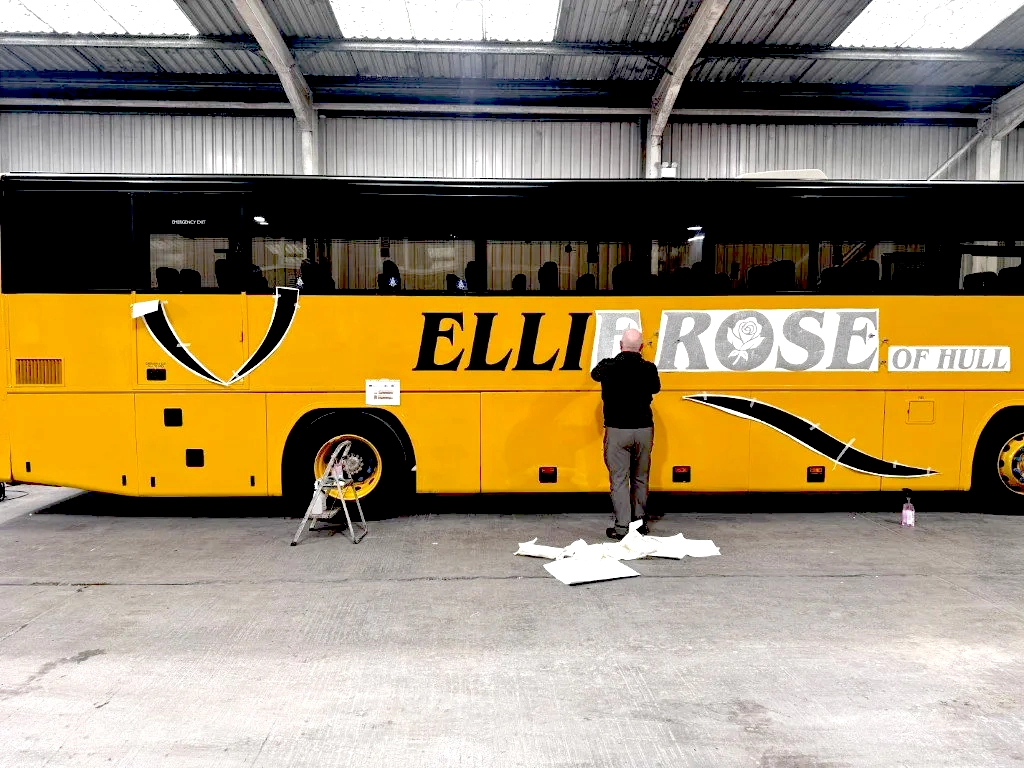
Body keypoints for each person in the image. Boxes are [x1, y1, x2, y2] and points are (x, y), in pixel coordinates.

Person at [590, 327, 661, 540]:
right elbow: (656, 389)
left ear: (621, 345)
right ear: (641, 347)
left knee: (619, 479)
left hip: (618, 430)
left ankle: (622, 528)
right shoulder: (649, 368)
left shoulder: (608, 366)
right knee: (640, 477)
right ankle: (639, 525)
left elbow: (594, 374)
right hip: (643, 430)